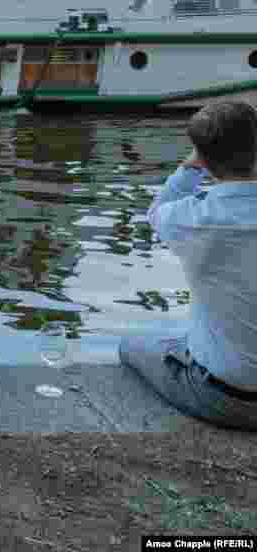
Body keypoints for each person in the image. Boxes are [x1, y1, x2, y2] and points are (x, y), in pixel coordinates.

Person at [119, 100, 257, 431]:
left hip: (226, 398)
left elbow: (157, 211)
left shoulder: (191, 219)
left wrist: (192, 165)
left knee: (132, 345)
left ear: (204, 160)